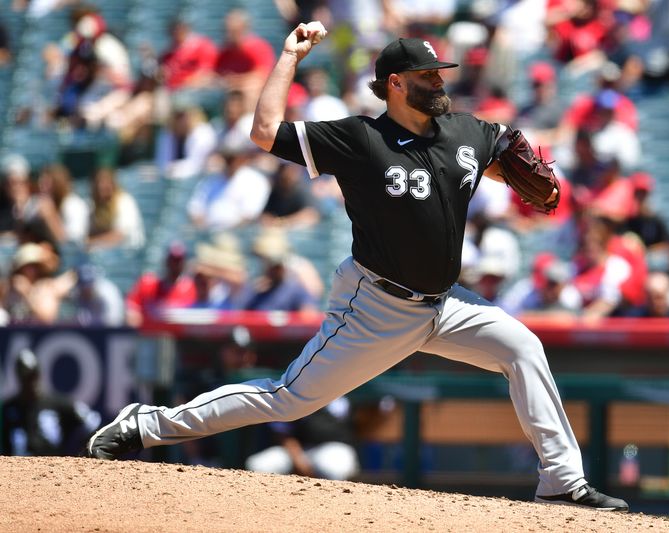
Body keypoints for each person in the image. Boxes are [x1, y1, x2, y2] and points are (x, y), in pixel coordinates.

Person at [86, 27, 628, 512]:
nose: (439, 81)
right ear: (395, 83)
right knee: (289, 399)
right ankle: (145, 424)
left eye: (441, 72)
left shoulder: (464, 131)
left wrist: (524, 163)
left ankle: (561, 481)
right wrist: (288, 58)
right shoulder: (360, 139)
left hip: (447, 303)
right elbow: (264, 131)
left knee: (523, 348)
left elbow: (504, 143)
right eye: (427, 75)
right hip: (376, 305)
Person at [2, 348, 100, 456]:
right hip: (17, 468)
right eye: (26, 378)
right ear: (19, 378)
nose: (30, 381)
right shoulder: (9, 408)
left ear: (38, 374)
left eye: (33, 375)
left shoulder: (57, 404)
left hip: (52, 468)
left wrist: (77, 453)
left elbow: (92, 422)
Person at [245, 396, 359, 481]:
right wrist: (298, 459)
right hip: (297, 450)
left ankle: (333, 506)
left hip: (333, 449)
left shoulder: (345, 399)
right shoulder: (293, 398)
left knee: (332, 468)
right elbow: (283, 434)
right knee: (259, 465)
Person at [125, 241, 196, 327]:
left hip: (178, 337)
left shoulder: (191, 287)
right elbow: (132, 308)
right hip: (150, 335)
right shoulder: (147, 283)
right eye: (173, 260)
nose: (175, 265)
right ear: (166, 261)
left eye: (179, 261)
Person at [87, 167, 145, 250]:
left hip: (127, 254)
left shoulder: (125, 201)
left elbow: (120, 235)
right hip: (103, 254)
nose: (101, 187)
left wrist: (92, 241)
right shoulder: (94, 205)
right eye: (98, 184)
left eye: (105, 183)